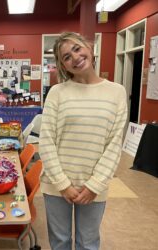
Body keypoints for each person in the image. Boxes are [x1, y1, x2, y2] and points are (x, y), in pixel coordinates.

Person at [39, 32, 128, 250]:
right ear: (63, 66)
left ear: (88, 47)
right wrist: (63, 184)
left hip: (94, 187)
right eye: (66, 57)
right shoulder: (57, 93)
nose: (75, 57)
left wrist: (95, 185)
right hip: (56, 184)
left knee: (87, 243)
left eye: (77, 49)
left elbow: (115, 143)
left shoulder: (116, 92)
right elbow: (46, 141)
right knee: (60, 242)